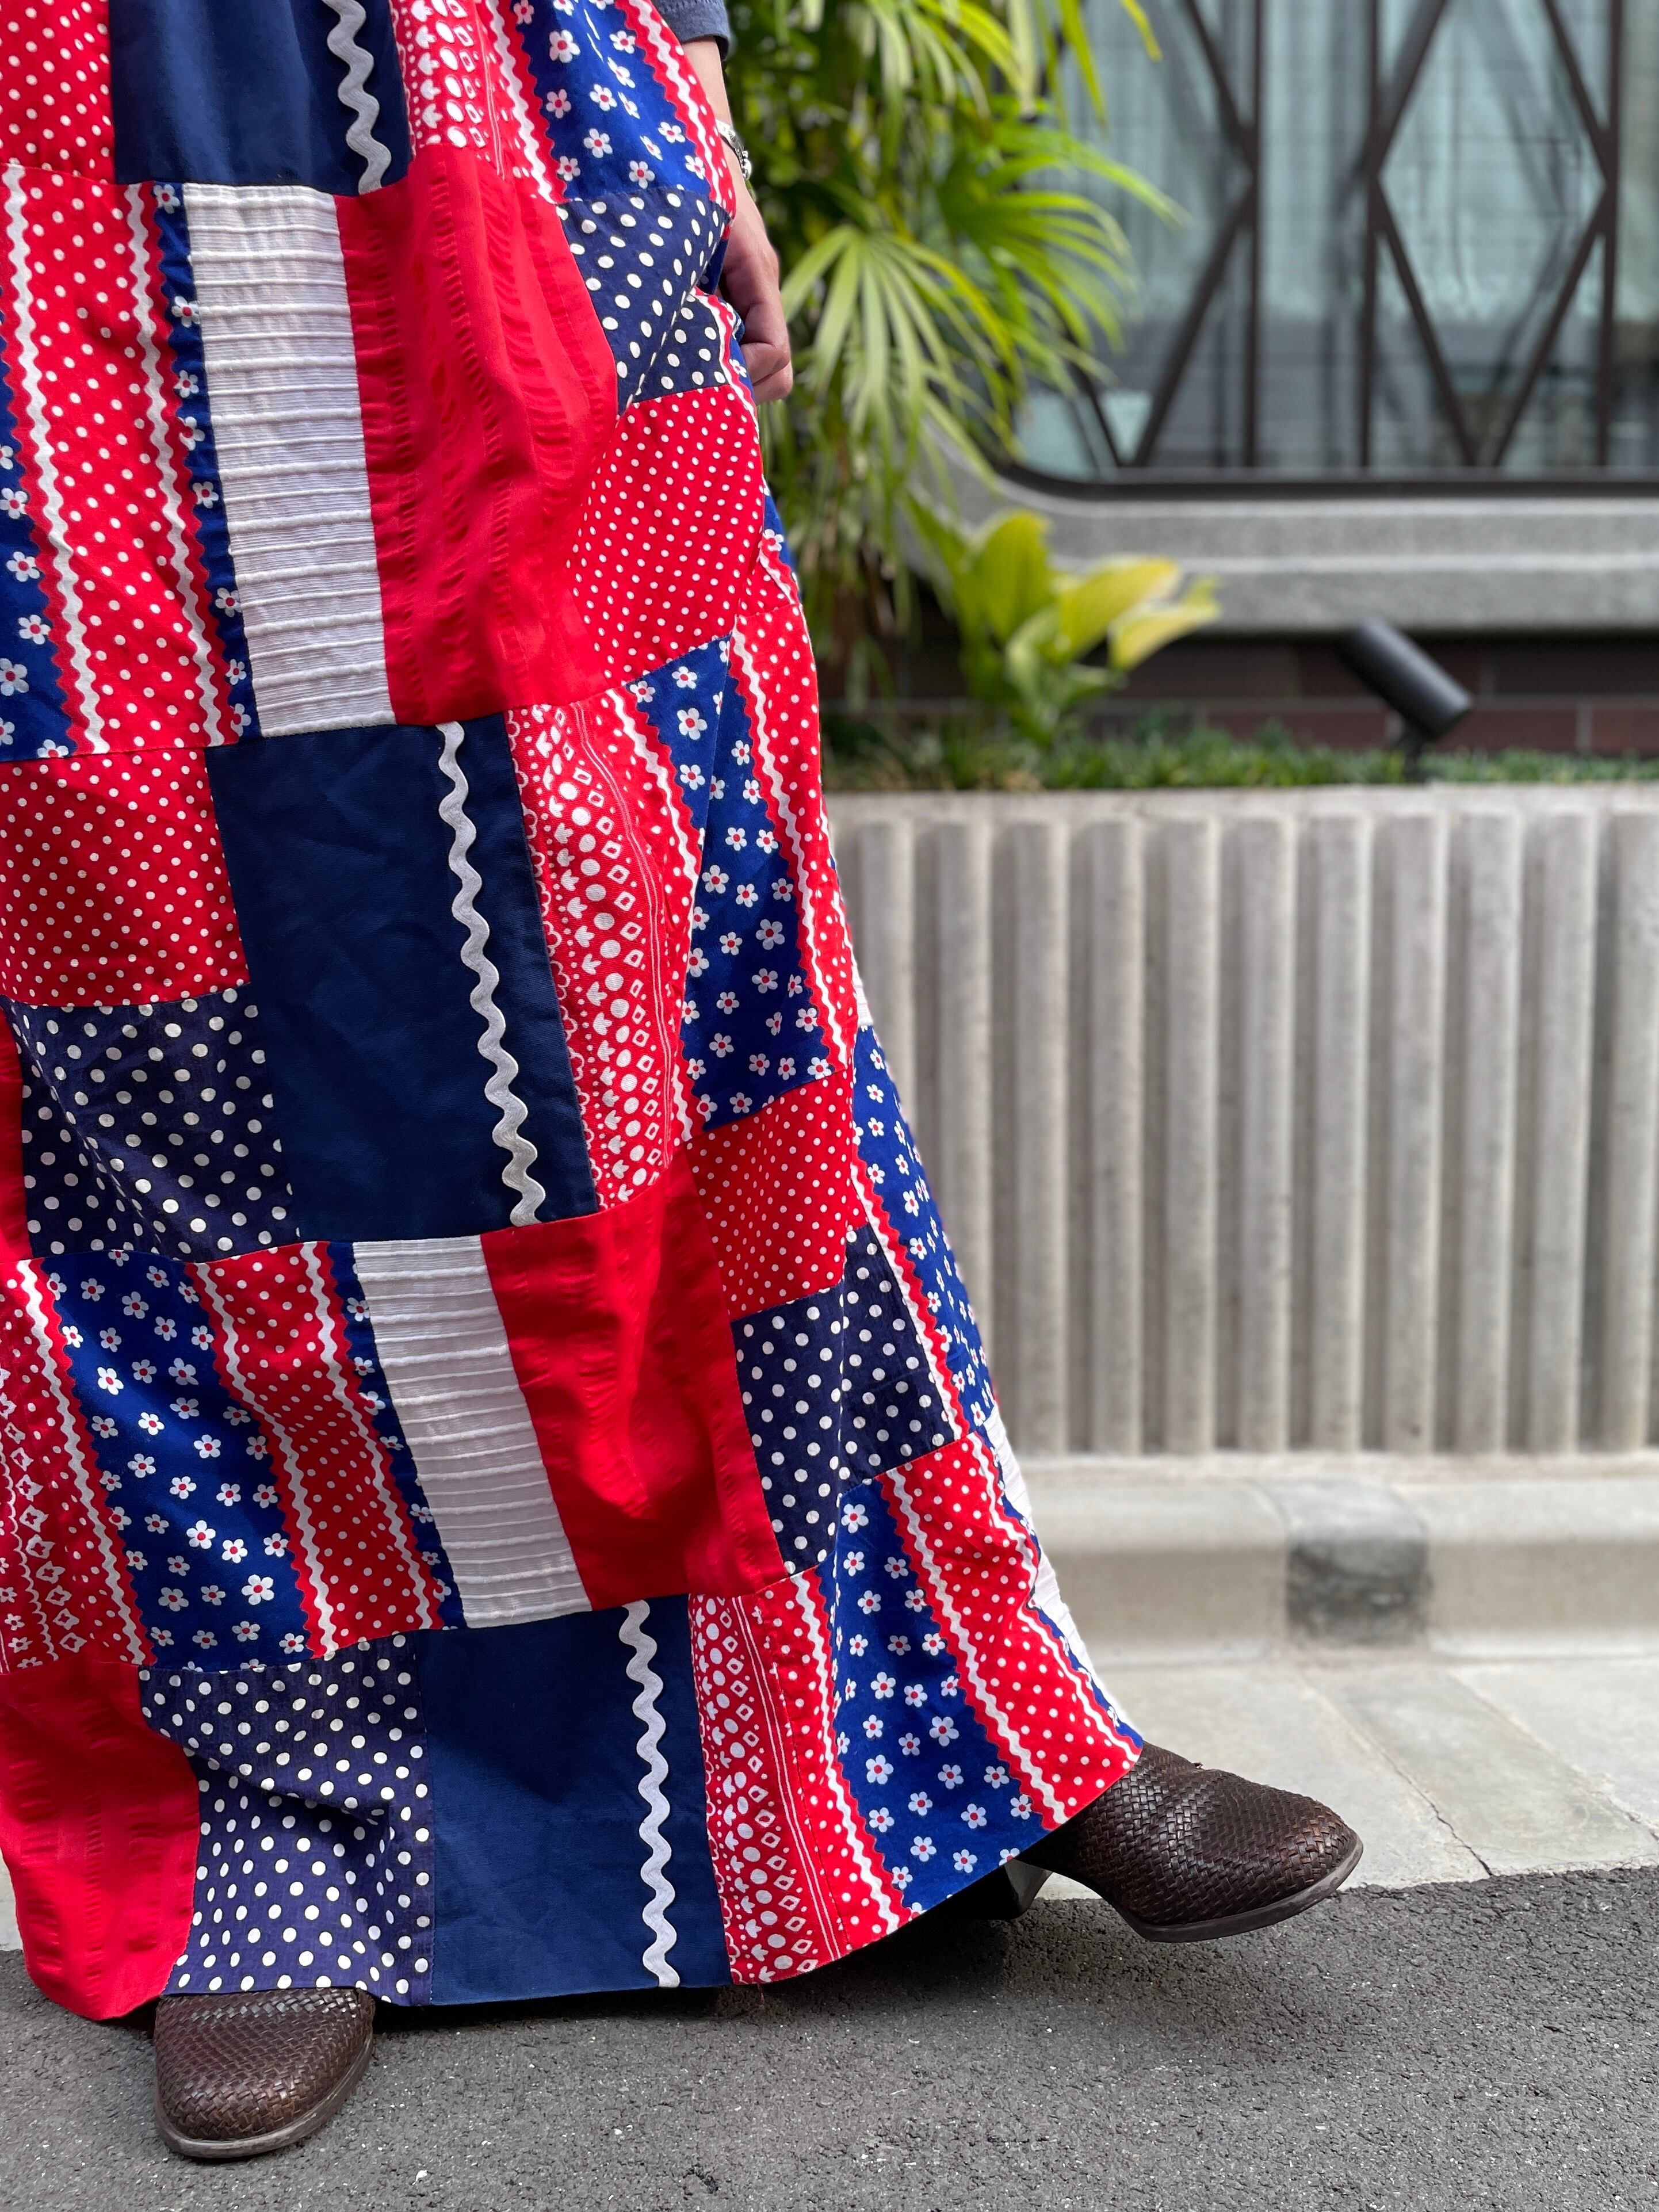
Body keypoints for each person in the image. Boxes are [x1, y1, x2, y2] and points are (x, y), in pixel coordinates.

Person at [0, 0, 1359, 2164]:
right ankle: (289, 1813)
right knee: (163, 1005)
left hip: (514, 90)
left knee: (704, 947)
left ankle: (949, 1717)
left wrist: (692, 62)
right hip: (84, 128)